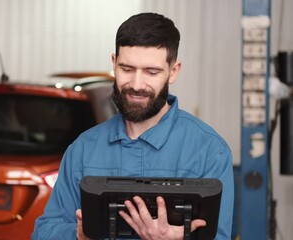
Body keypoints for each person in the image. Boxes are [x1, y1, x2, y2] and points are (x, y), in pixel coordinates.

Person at [32, 12, 234, 240]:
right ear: (114, 63)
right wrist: (78, 235)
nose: (136, 85)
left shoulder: (209, 151)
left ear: (173, 72)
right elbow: (44, 232)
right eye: (127, 69)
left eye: (152, 72)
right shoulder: (83, 149)